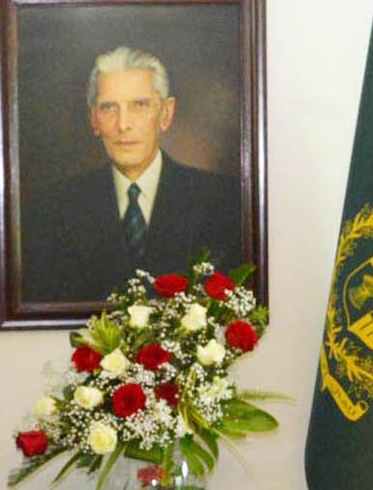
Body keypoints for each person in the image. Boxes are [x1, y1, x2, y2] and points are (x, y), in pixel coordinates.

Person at [22, 45, 243, 302]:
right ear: (94, 119)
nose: (123, 124)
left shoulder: (222, 201)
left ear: (166, 113)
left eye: (139, 105)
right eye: (108, 108)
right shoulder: (53, 209)